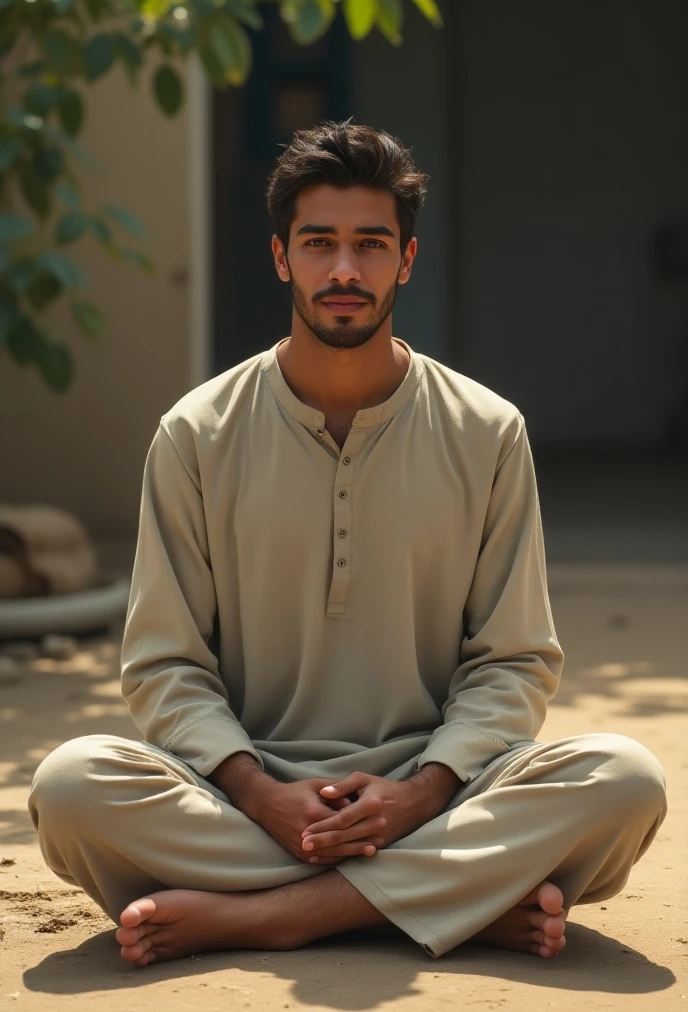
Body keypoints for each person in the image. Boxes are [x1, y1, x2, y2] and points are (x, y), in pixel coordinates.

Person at [28, 121, 666, 968]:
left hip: (441, 791)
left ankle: (273, 916)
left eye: (370, 245)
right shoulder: (196, 434)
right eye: (319, 243)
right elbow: (164, 665)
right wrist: (260, 793)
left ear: (404, 260)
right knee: (71, 788)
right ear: (280, 256)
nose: (343, 270)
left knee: (624, 781)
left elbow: (513, 663)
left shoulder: (487, 431)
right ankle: (451, 901)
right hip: (247, 795)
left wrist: (420, 793)